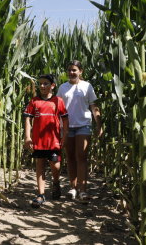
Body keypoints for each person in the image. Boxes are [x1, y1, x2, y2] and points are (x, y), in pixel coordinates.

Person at [57, 60, 103, 203]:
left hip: (84, 125)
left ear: (80, 71)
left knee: (81, 156)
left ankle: (83, 191)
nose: (71, 72)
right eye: (69, 70)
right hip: (66, 126)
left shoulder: (87, 86)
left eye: (74, 70)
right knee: (70, 157)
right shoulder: (62, 88)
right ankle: (73, 188)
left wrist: (99, 125)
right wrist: (58, 127)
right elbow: (57, 109)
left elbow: (94, 107)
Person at [24, 74, 69, 208]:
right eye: (41, 84)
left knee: (55, 166)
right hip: (38, 140)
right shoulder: (34, 101)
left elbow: (65, 120)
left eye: (45, 84)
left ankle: (56, 183)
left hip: (54, 140)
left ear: (52, 86)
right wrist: (27, 137)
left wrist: (64, 136)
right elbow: (28, 119)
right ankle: (41, 194)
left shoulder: (58, 101)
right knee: (40, 165)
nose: (42, 86)